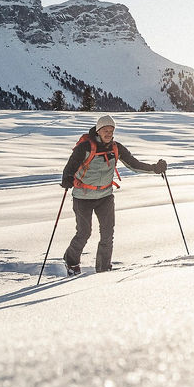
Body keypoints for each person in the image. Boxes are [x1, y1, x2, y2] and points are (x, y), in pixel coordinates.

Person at [59, 114, 167, 274]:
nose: (108, 133)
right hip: (83, 197)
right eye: (105, 130)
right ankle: (71, 261)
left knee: (108, 233)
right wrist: (67, 178)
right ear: (98, 130)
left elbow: (134, 164)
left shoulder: (116, 148)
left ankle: (103, 268)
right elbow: (70, 167)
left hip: (105, 196)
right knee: (84, 233)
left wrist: (154, 168)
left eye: (111, 130)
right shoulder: (85, 147)